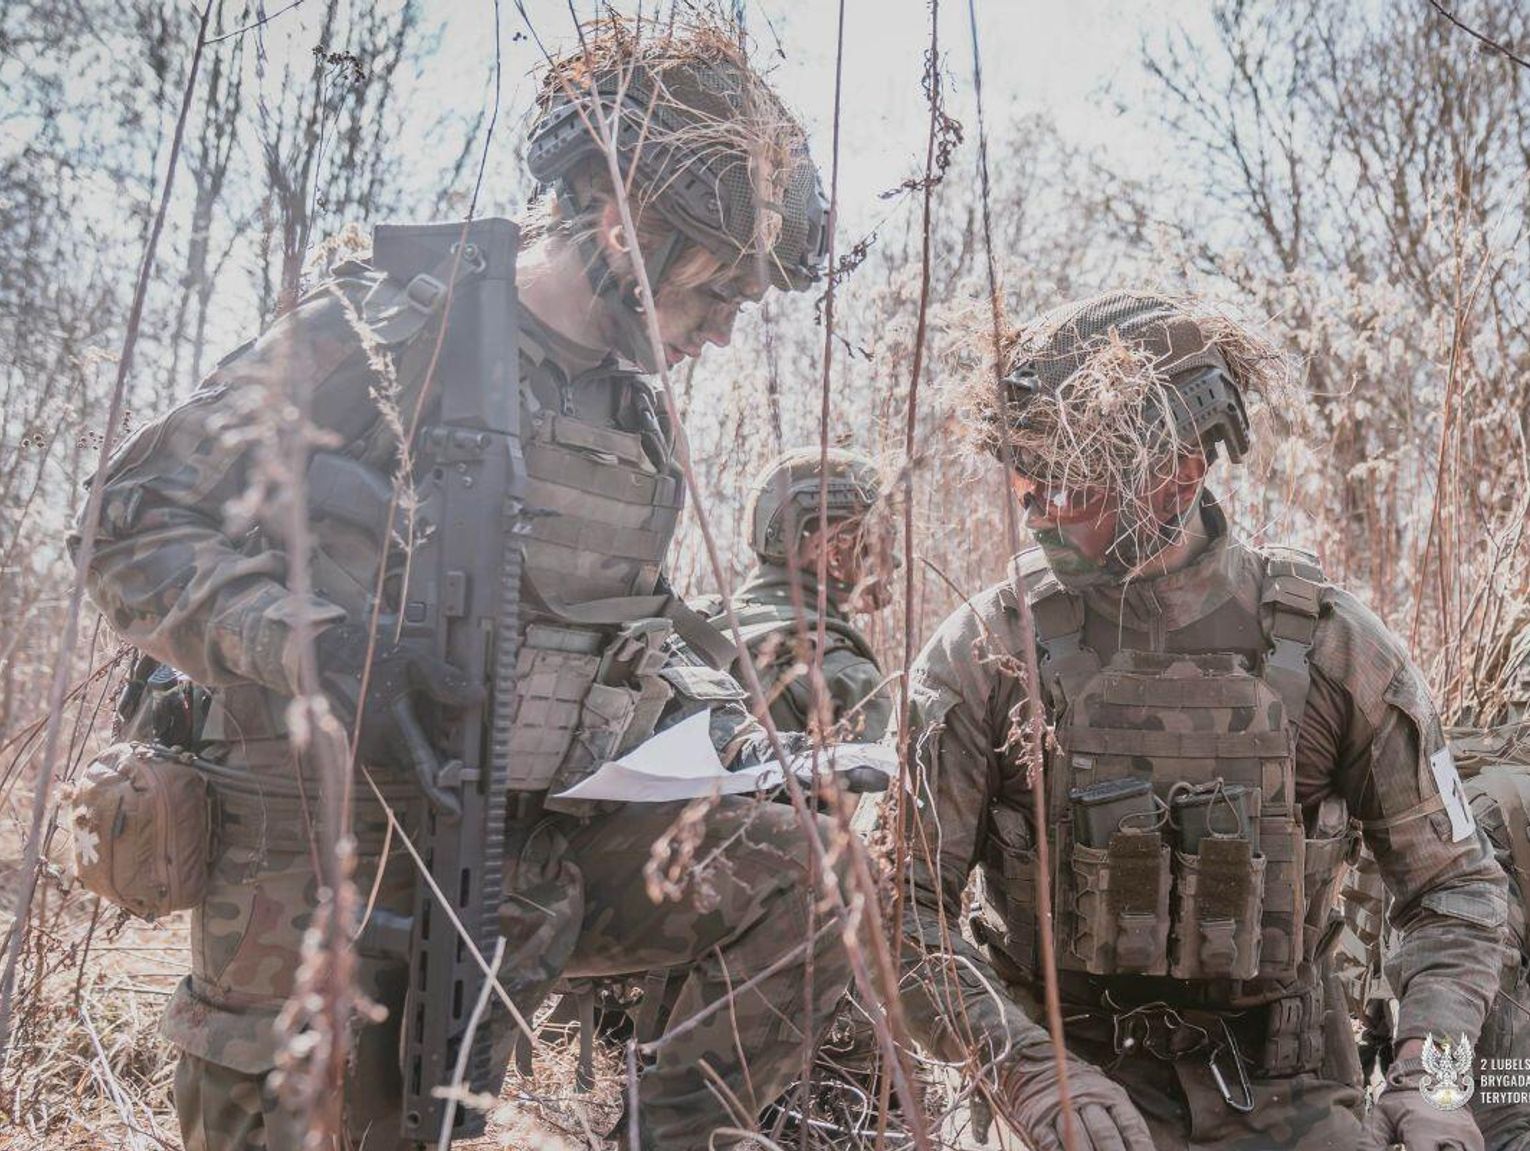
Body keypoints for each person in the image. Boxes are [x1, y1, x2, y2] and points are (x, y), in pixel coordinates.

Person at [73, 21, 856, 1151]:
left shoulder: (627, 407)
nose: (726, 330)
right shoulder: (380, 335)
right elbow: (126, 523)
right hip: (316, 855)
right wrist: (319, 644)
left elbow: (611, 627)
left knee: (809, 871)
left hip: (518, 848)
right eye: (716, 289)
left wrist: (730, 732)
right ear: (623, 227)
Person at [896, 289, 1511, 1151]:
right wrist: (1024, 1071)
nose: (1037, 512)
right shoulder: (986, 653)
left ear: (1178, 475)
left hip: (1288, 1090)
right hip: (1059, 1086)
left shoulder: (1333, 648)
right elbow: (895, 909)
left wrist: (1432, 1083)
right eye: (1027, 483)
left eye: (1071, 485)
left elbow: (1455, 888)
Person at [698, 446, 893, 744]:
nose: (896, 560)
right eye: (884, 538)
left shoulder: (696, 623)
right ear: (832, 551)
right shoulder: (845, 675)